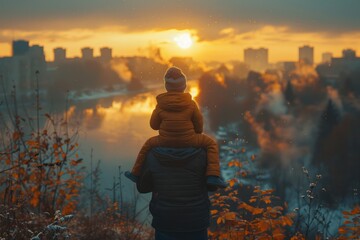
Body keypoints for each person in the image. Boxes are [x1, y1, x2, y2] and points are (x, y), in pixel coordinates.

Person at [125, 66, 226, 189]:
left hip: (164, 140)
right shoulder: (191, 104)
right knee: (210, 144)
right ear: (183, 86)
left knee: (147, 145)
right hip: (189, 139)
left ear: (166, 86)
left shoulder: (160, 105)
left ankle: (135, 174)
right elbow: (199, 128)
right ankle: (213, 176)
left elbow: (153, 125)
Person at [136, 146, 210, 240]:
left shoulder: (152, 154)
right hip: (196, 221)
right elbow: (212, 186)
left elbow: (142, 187)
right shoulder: (203, 153)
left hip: (165, 220)